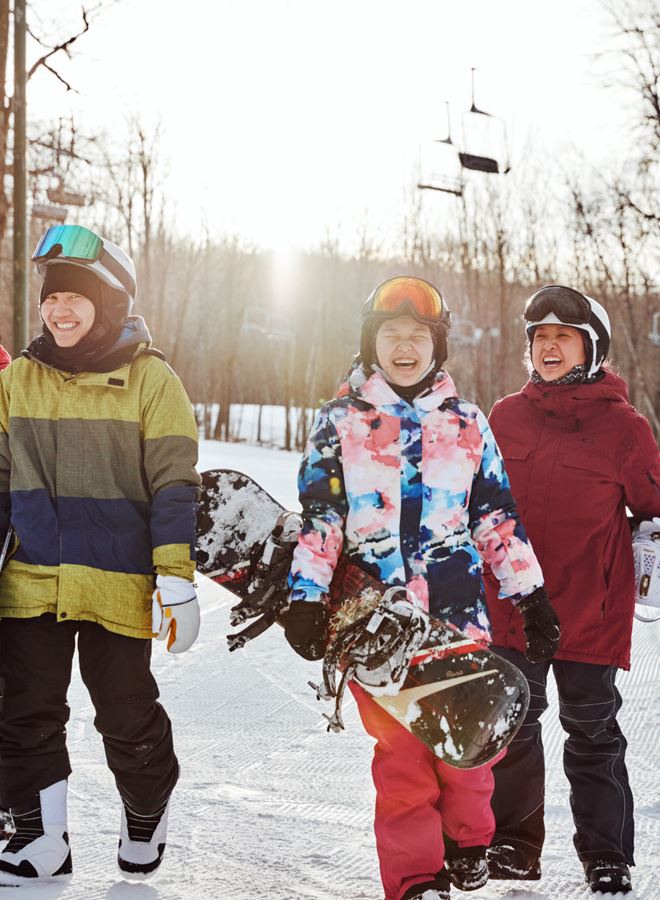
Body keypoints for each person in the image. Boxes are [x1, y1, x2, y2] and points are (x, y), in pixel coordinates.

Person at [282, 276, 560, 900]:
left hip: (458, 617)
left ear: (437, 345)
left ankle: (468, 840)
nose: (404, 347)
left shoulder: (467, 423)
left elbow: (495, 517)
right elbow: (322, 519)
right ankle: (416, 879)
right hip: (376, 623)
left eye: (417, 335)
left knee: (470, 750)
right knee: (402, 758)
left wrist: (530, 594)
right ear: (371, 343)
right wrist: (306, 597)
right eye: (391, 334)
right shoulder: (339, 422)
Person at [0, 224, 201, 885]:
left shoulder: (151, 380)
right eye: (52, 297)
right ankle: (40, 839)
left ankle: (146, 804)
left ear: (110, 301)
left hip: (117, 579)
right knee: (26, 710)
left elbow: (174, 484)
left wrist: (175, 578)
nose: (60, 310)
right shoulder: (19, 379)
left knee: (124, 710)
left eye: (76, 297)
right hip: (31, 579)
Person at [484, 284, 660, 895]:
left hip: (590, 609)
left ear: (592, 348)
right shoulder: (504, 417)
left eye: (564, 336)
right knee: (514, 724)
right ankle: (514, 845)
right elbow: (478, 501)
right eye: (540, 336)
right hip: (513, 606)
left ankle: (607, 855)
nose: (549, 346)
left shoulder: (625, 427)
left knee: (592, 732)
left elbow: (653, 505)